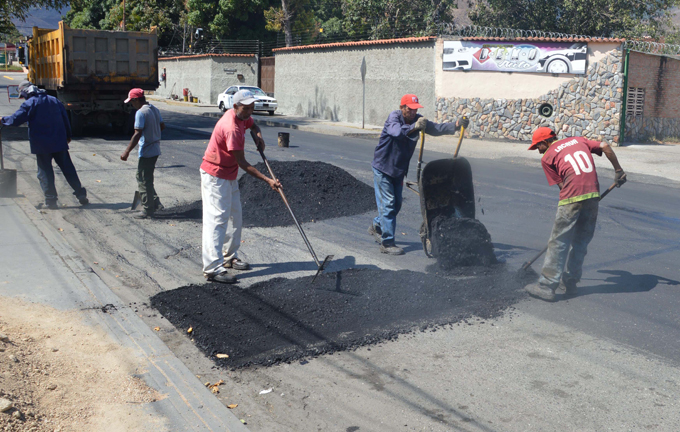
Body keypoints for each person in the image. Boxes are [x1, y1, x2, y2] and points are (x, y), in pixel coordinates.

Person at [524, 127, 627, 301]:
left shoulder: (547, 157)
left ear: (545, 142)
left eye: (537, 147)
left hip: (572, 197)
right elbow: (606, 146)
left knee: (558, 242)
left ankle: (546, 286)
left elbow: (563, 187)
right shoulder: (579, 140)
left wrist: (574, 205)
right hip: (593, 194)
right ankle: (571, 282)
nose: (538, 151)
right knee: (580, 242)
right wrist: (618, 171)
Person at [369, 94, 469, 255]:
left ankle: (377, 225)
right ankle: (387, 244)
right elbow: (396, 132)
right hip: (383, 168)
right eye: (410, 109)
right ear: (402, 108)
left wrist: (456, 125)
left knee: (396, 205)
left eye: (416, 109)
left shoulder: (418, 120)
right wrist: (414, 127)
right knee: (388, 204)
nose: (413, 112)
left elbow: (436, 128)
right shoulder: (394, 117)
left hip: (399, 170)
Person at [200, 89, 281, 284]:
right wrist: (268, 180)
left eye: (252, 107)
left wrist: (259, 136)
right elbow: (243, 163)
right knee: (217, 219)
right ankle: (212, 268)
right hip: (215, 175)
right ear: (234, 106)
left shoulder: (244, 116)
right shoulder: (231, 128)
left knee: (236, 215)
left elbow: (254, 125)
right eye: (246, 108)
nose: (250, 111)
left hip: (229, 173)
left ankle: (229, 256)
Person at [1, 80, 88, 209]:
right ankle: (81, 195)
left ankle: (51, 200)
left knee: (45, 171)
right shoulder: (54, 100)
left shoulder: (30, 103)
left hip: (42, 144)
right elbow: (65, 118)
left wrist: (2, 120)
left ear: (26, 92)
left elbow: (16, 119)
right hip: (59, 141)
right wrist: (68, 135)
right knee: (68, 168)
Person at [120, 88, 165, 219]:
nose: (131, 104)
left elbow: (137, 133)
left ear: (136, 100)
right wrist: (154, 133)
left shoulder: (140, 113)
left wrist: (126, 151)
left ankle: (147, 209)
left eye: (131, 102)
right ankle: (155, 202)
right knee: (146, 178)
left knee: (143, 179)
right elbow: (162, 126)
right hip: (156, 148)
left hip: (147, 151)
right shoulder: (154, 109)